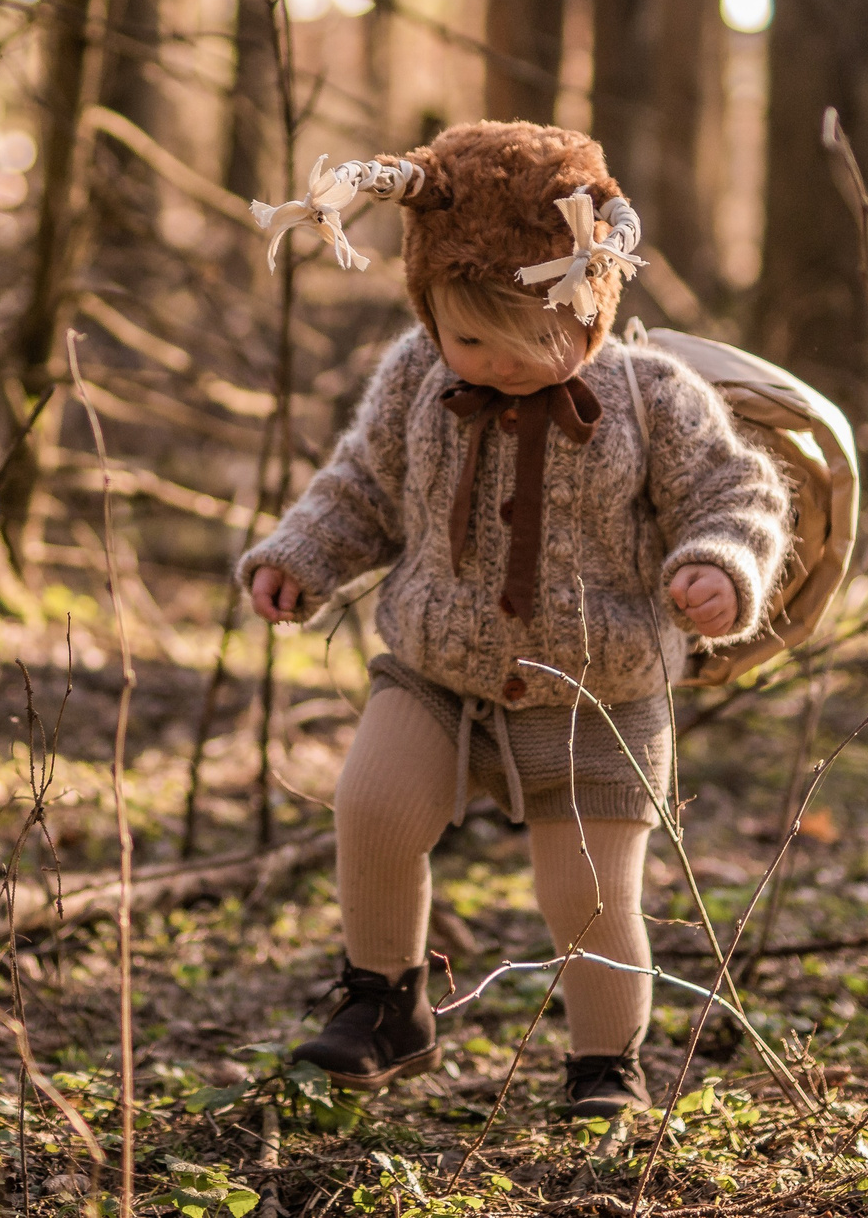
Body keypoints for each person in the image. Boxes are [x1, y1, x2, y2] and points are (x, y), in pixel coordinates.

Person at [237, 121, 791, 1119]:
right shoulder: (415, 374)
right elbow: (363, 485)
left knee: (586, 893)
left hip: (599, 688)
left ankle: (603, 1066)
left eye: (547, 339)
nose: (507, 363)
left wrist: (718, 564)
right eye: (473, 340)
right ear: (428, 310)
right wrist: (302, 557)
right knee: (372, 807)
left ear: (597, 298)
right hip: (438, 663)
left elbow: (733, 490)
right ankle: (384, 1001)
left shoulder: (653, 394)